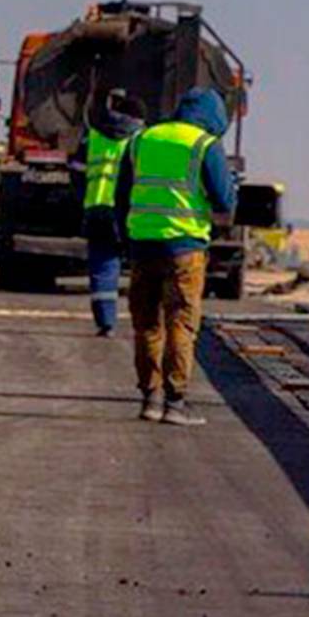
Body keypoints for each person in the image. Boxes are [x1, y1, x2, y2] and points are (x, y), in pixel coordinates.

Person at [115, 88, 236, 427]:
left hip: (143, 246)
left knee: (146, 324)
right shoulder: (204, 144)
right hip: (185, 248)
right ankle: (175, 403)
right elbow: (225, 201)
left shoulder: (141, 140)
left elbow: (121, 197)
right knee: (180, 323)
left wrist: (127, 240)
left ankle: (150, 399)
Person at [78, 88, 145, 336]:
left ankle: (106, 322)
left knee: (103, 265)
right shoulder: (140, 140)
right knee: (144, 265)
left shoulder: (93, 137)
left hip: (96, 208)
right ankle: (147, 322)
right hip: (131, 211)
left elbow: (76, 169)